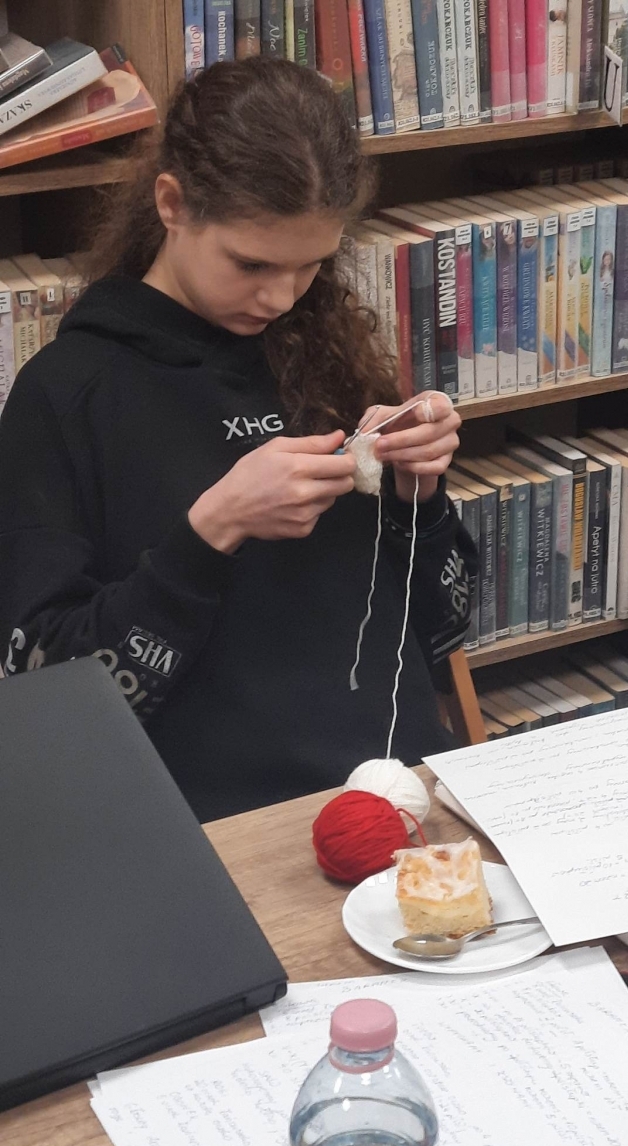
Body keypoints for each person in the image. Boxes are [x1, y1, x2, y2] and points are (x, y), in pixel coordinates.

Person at [0, 58, 476, 823]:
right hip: (215, 826)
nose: (281, 297)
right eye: (251, 263)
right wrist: (210, 532)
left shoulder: (325, 352)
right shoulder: (67, 393)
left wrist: (418, 497)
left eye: (311, 265)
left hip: (403, 790)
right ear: (172, 204)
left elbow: (445, 623)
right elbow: (45, 689)